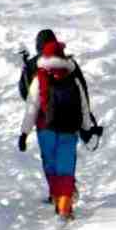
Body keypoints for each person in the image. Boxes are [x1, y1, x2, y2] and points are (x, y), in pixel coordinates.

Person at [17, 31, 101, 220]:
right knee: (66, 167)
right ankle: (64, 207)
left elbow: (31, 105)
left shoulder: (39, 76)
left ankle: (55, 197)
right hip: (69, 129)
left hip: (45, 127)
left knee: (51, 164)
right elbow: (83, 103)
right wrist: (87, 127)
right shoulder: (72, 75)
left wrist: (24, 133)